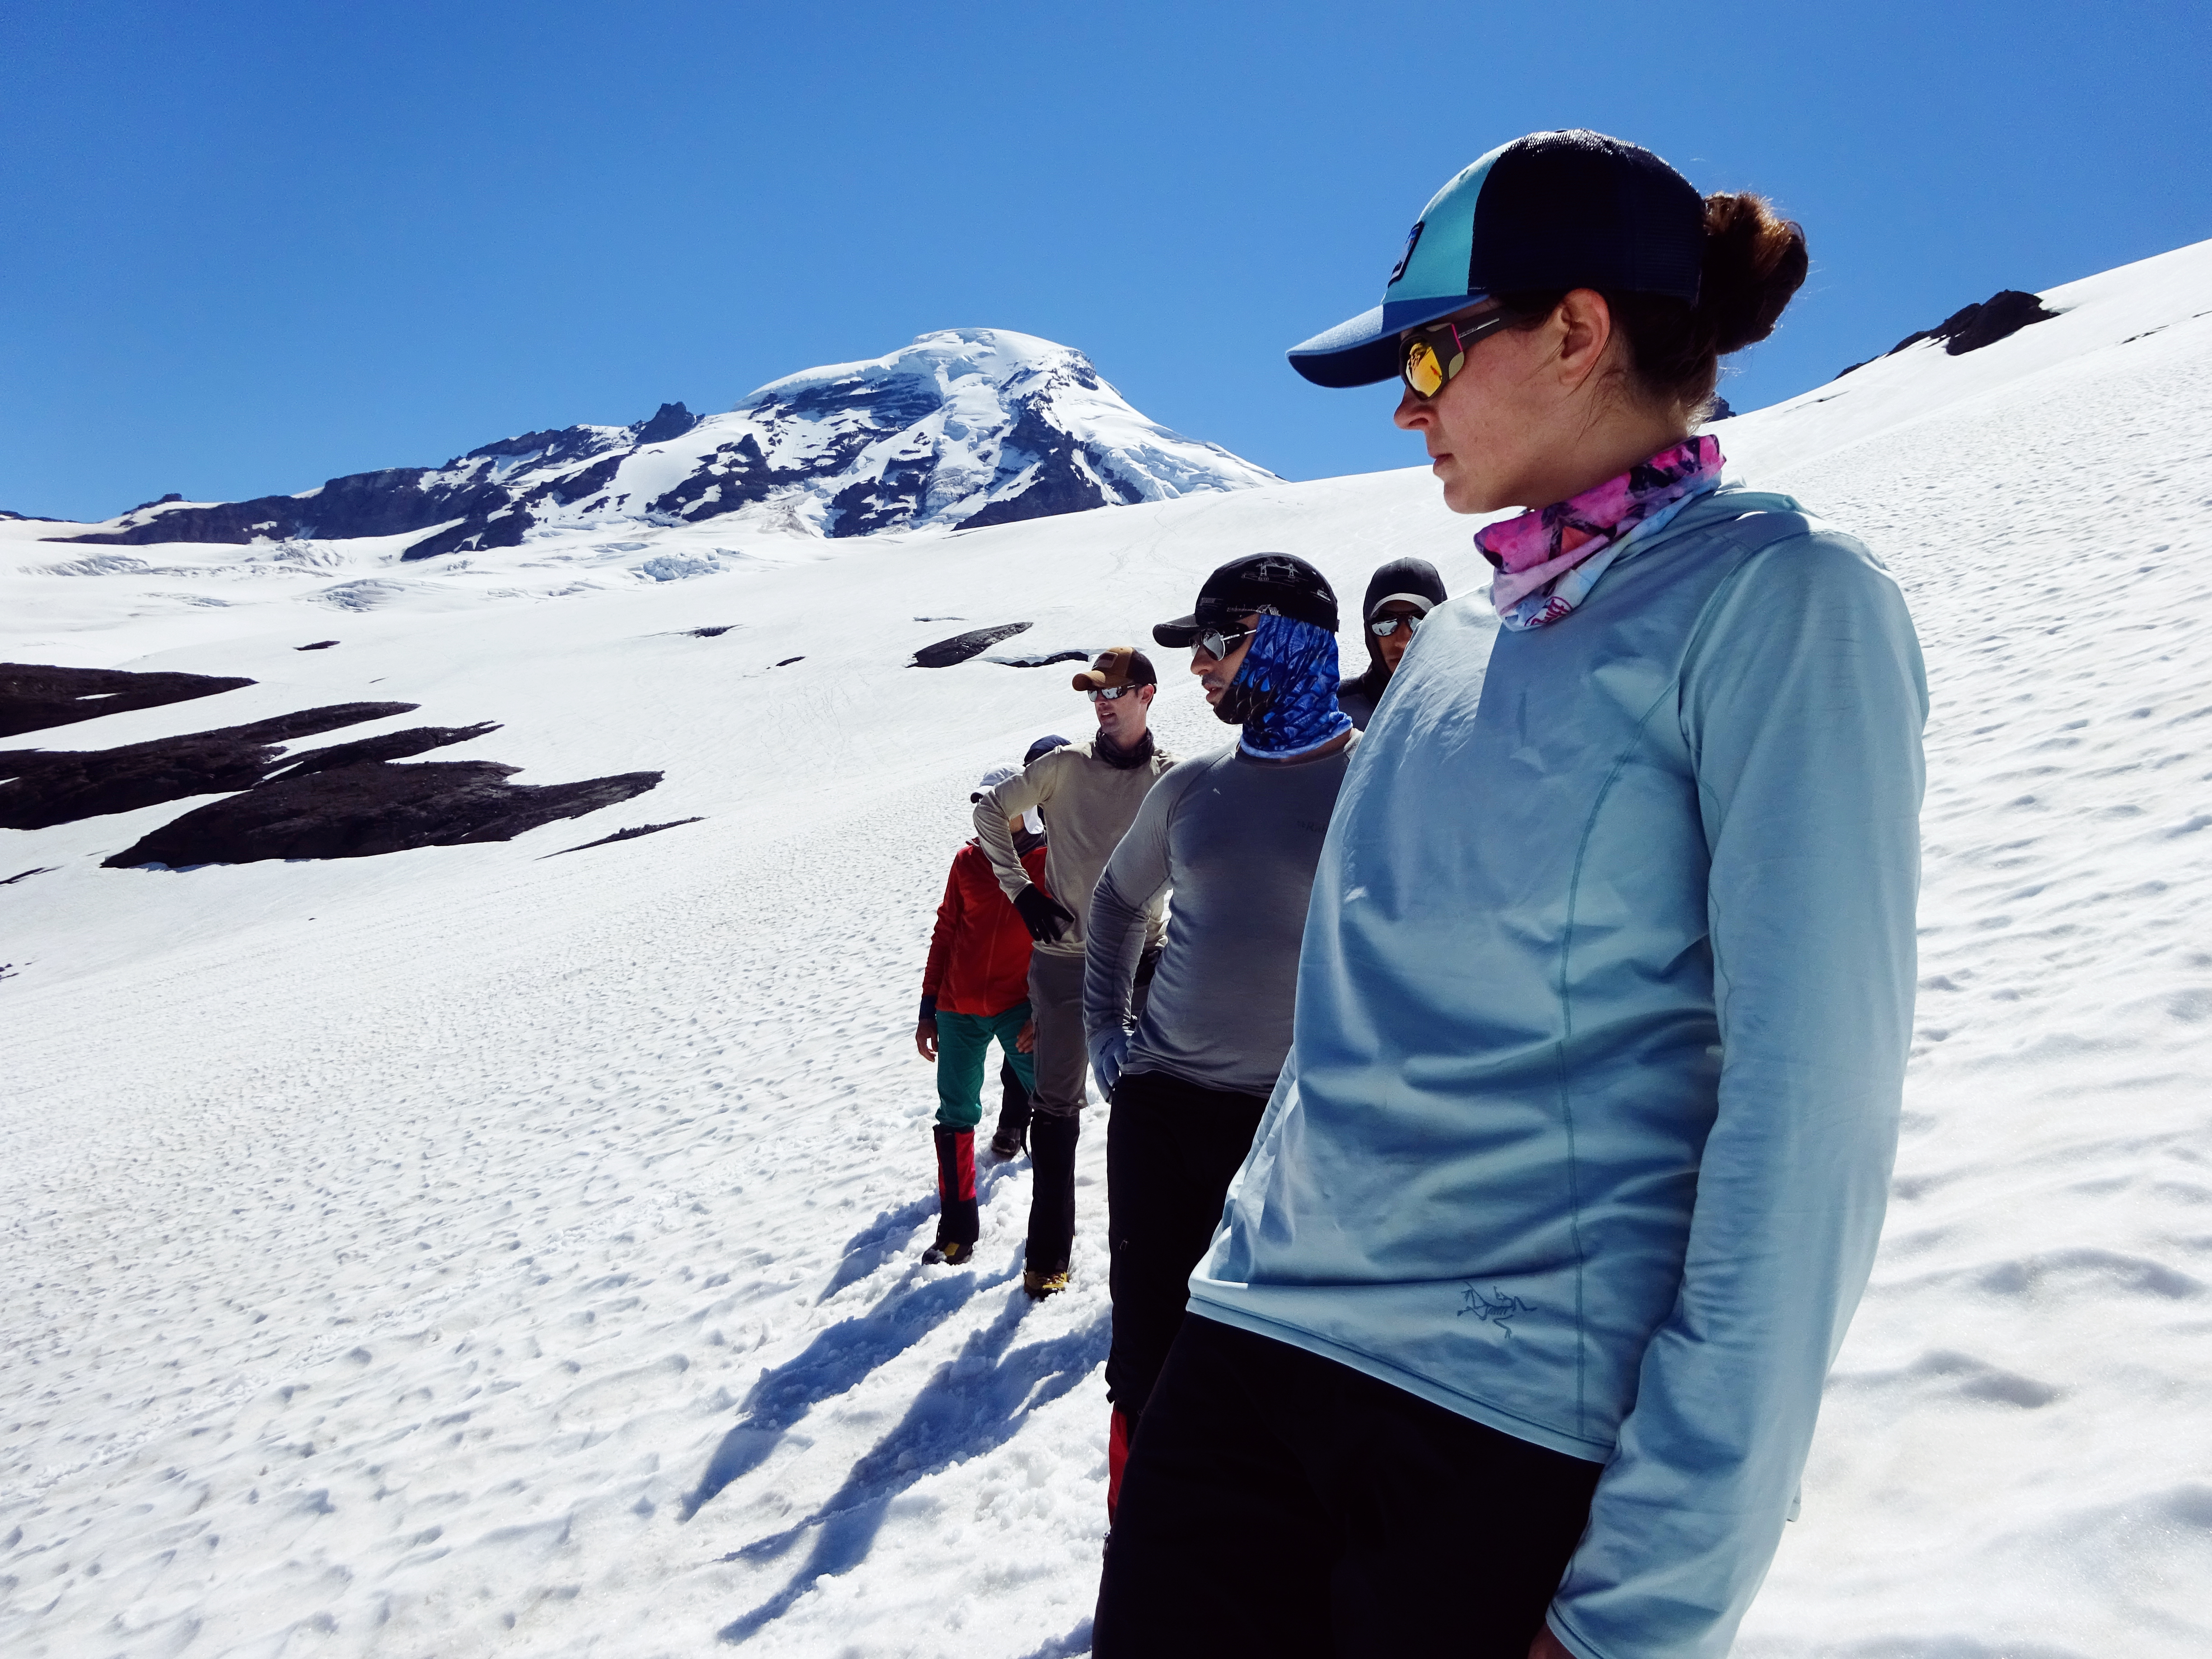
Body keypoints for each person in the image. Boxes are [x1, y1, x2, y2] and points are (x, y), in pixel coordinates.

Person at [1096, 130, 1928, 1659]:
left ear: (1573, 329)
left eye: (1428, 355)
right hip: (1251, 1362)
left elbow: (1808, 1119)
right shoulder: (1458, 644)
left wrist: (1650, 1601)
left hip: (1492, 1426)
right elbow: (1343, 1043)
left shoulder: (1780, 609)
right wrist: (1211, 1316)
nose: (1406, 408)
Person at [1082, 553, 1361, 1521]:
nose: (1200, 668)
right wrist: (1107, 1043)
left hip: (1300, 1129)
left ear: (1290, 641)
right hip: (1162, 1112)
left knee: (1282, 1362)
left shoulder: (1382, 785)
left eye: (1218, 642)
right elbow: (1116, 903)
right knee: (1147, 1360)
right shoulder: (1194, 786)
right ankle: (1142, 1561)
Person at [974, 650, 1176, 1297]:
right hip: (1065, 962)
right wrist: (1022, 894)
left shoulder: (1170, 777)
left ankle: (1161, 1252)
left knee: (1160, 1102)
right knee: (1057, 1109)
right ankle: (1046, 1260)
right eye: (1095, 693)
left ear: (1148, 694)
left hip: (1145, 957)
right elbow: (987, 816)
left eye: (1116, 691)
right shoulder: (1061, 769)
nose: (1103, 702)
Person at [914, 764, 1047, 1264]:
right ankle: (957, 1229)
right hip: (958, 1010)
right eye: (983, 802)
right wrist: (929, 1009)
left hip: (1021, 1009)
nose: (990, 812)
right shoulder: (967, 861)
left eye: (1003, 803)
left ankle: (1052, 1229)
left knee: (1054, 1105)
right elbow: (946, 933)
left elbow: (1064, 944)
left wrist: (1047, 1015)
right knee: (955, 1116)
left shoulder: (1048, 862)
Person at [984, 733, 1072, 1160]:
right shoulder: (1027, 827)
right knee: (1021, 1048)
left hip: (1064, 958)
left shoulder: (1071, 822)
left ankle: (1041, 1126)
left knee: (1049, 1046)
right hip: (1024, 963)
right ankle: (1014, 1124)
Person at [1334, 556, 1447, 729]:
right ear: (1368, 630)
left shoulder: (1476, 706)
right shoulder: (1333, 716)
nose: (1402, 641)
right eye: (1385, 623)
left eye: (1420, 622)